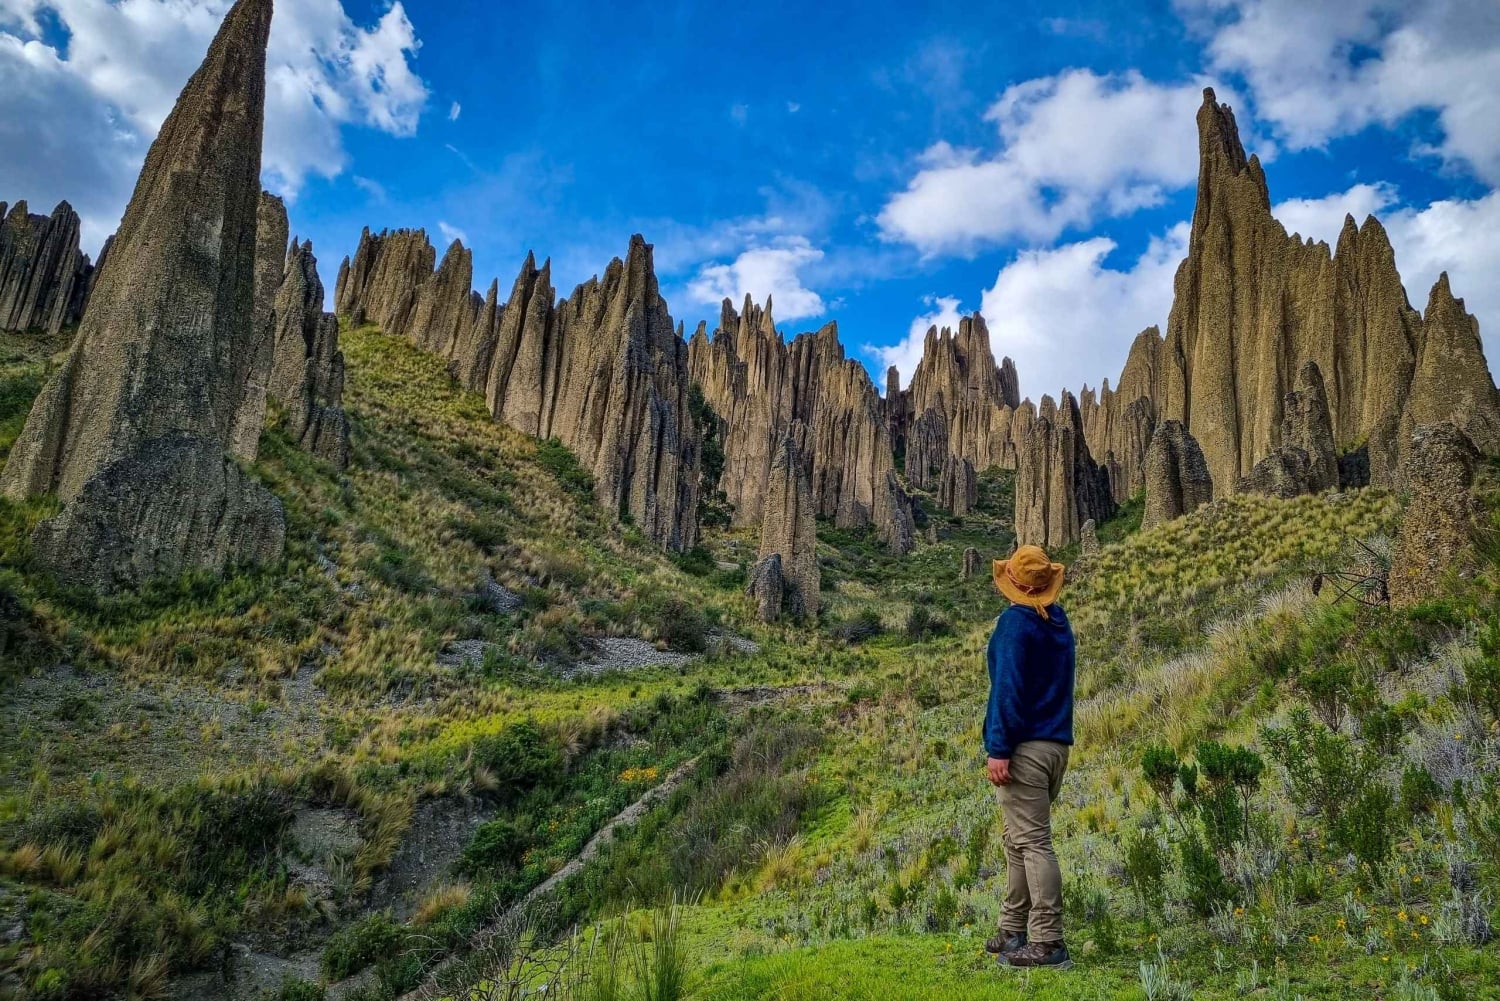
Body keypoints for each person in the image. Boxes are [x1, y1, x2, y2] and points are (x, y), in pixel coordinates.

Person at [982, 544, 1076, 970]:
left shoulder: (1015, 623)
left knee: (1033, 843)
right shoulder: (1058, 621)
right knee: (1016, 840)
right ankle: (1013, 928)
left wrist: (998, 748)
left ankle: (1047, 940)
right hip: (1056, 746)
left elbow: (1007, 690)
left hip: (1026, 750)